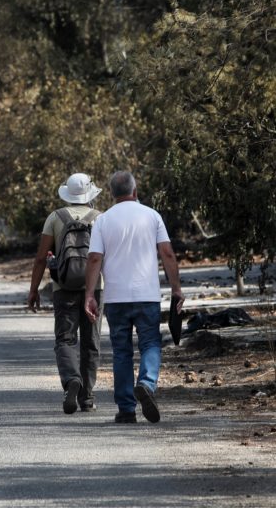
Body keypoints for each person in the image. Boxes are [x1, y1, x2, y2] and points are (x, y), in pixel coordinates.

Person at [84, 171, 184, 424]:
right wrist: (176, 290)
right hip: (147, 294)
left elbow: (95, 258)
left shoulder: (103, 221)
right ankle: (147, 383)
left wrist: (89, 295)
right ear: (135, 191)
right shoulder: (152, 216)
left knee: (121, 352)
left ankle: (126, 409)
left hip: (116, 297)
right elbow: (168, 254)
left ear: (112, 194)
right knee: (150, 343)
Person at [28, 173, 103, 414]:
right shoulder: (100, 218)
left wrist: (34, 290)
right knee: (91, 342)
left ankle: (72, 380)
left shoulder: (55, 217)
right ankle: (88, 397)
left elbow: (41, 258)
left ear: (67, 195)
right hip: (95, 288)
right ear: (90, 194)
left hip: (64, 288)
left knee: (65, 339)